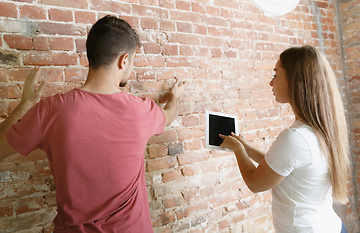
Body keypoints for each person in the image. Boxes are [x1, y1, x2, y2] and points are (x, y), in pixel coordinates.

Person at [0, 15, 185, 232]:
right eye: (132, 61)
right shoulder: (142, 111)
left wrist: (25, 105)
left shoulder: (50, 110)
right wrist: (174, 97)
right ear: (124, 60)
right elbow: (169, 114)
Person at [220, 45, 349, 233]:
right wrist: (246, 148)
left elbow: (255, 183)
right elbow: (283, 166)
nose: (271, 83)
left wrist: (238, 151)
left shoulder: (296, 138)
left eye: (275, 74)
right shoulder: (319, 130)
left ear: (294, 80)